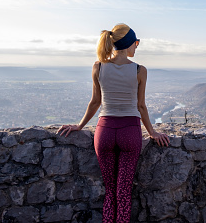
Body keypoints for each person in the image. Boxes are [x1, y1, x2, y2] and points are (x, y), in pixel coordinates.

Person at [57, 23, 169, 223]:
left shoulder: (98, 67)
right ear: (129, 44)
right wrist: (152, 132)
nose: (137, 47)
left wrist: (79, 126)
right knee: (123, 193)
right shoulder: (139, 70)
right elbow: (141, 106)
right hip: (130, 133)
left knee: (110, 192)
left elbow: (95, 102)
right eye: (136, 43)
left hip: (105, 133)